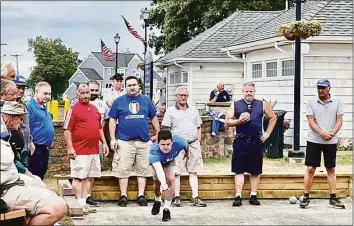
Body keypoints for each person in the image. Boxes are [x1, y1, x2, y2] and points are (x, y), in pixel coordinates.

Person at [1, 101, 67, 226]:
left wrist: (22, 169)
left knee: (38, 182)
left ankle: (34, 217)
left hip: (11, 179)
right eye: (20, 119)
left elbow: (11, 161)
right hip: (5, 189)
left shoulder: (5, 130)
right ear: (11, 118)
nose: (21, 123)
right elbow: (7, 160)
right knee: (59, 207)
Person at [109, 75, 160, 207]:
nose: (132, 87)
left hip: (143, 141)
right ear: (125, 87)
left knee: (143, 169)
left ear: (139, 86)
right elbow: (112, 120)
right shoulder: (119, 101)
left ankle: (141, 195)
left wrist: (158, 134)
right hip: (125, 141)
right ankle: (123, 195)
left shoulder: (146, 100)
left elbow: (153, 117)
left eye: (134, 85)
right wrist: (113, 138)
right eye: (129, 85)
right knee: (123, 169)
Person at [225, 82, 276, 207]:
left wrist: (268, 133)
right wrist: (238, 121)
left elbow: (273, 117)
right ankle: (238, 196)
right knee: (239, 169)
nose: (249, 93)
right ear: (243, 92)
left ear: (254, 92)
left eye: (251, 91)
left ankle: (253, 195)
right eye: (246, 91)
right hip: (241, 141)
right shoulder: (236, 104)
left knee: (255, 170)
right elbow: (227, 121)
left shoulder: (262, 104)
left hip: (256, 141)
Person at [64, 83, 109, 214]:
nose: (85, 95)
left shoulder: (95, 108)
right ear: (77, 94)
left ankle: (84, 203)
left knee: (89, 177)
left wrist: (104, 143)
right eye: (82, 93)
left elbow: (99, 127)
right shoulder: (73, 109)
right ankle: (77, 204)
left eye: (87, 92)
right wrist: (70, 148)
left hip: (94, 149)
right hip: (79, 150)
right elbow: (67, 130)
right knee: (79, 178)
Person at [300, 79, 345, 209]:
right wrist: (322, 133)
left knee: (331, 169)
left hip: (331, 141)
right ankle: (306, 197)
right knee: (310, 169)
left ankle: (333, 198)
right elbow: (311, 121)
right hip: (314, 140)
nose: (320, 90)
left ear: (329, 88)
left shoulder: (337, 102)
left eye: (323, 88)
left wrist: (330, 134)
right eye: (318, 88)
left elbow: (339, 121)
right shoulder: (311, 102)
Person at [161, 86, 207, 207]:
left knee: (194, 171)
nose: (183, 97)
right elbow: (165, 129)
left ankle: (195, 197)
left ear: (188, 96)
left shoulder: (193, 110)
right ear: (176, 96)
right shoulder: (170, 111)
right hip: (177, 145)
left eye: (185, 95)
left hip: (192, 144)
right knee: (176, 172)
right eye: (180, 95)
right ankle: (177, 197)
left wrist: (198, 141)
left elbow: (198, 127)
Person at [150, 130, 189, 222]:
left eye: (168, 144)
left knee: (171, 179)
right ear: (158, 143)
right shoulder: (153, 152)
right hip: (158, 162)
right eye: (163, 145)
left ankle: (166, 209)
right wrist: (163, 183)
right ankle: (157, 200)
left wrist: (188, 154)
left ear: (172, 142)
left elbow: (186, 146)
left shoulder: (180, 142)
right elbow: (159, 170)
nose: (166, 147)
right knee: (157, 182)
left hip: (170, 160)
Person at [85, 80, 109, 207]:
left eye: (95, 90)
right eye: (91, 90)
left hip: (97, 141)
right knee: (83, 169)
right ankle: (81, 195)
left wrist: (103, 141)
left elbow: (103, 124)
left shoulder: (102, 104)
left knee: (93, 171)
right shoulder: (78, 104)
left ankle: (88, 195)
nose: (93, 93)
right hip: (83, 143)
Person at [27, 82, 54, 180]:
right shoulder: (30, 107)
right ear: (36, 92)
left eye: (49, 94)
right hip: (35, 148)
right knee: (35, 177)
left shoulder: (43, 106)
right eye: (45, 93)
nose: (48, 96)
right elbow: (27, 127)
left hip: (44, 148)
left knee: (42, 173)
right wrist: (30, 143)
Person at [14, 75, 35, 170]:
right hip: (15, 150)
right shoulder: (8, 107)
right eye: (18, 87)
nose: (21, 91)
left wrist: (30, 142)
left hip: (25, 149)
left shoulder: (24, 106)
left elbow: (26, 127)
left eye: (23, 88)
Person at [103, 73, 125, 150]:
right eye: (117, 81)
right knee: (111, 138)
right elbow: (110, 103)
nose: (119, 83)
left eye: (120, 81)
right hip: (111, 119)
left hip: (123, 119)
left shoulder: (125, 92)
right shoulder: (108, 92)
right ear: (113, 82)